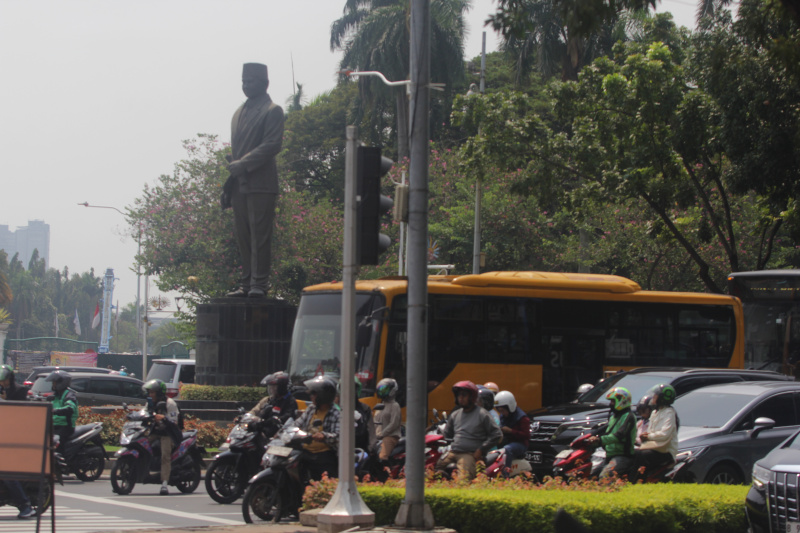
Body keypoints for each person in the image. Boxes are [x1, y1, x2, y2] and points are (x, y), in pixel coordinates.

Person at [223, 62, 285, 299]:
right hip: (239, 184)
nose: (246, 86)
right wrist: (230, 184)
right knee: (243, 235)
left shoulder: (272, 110)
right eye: (244, 81)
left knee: (260, 235)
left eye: (251, 81)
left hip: (261, 183)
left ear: (265, 84)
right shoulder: (238, 113)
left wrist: (244, 164)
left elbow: (272, 144)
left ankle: (260, 283)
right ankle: (246, 283)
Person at [436, 380, 502, 480]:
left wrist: (480, 450)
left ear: (472, 397)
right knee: (432, 471)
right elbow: (447, 435)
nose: (461, 398)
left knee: (463, 480)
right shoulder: (455, 415)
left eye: (464, 395)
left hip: (469, 454)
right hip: (453, 452)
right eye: (459, 395)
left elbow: (497, 435)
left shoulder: (482, 414)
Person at [0, 365, 35, 519]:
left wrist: (7, 400)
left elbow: (20, 413)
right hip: (3, 435)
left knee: (7, 473)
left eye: (5, 380)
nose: (3, 383)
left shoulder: (20, 390)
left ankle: (25, 505)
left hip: (16, 438)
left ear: (10, 378)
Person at [587, 387, 636, 479]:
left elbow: (619, 435)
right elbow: (606, 431)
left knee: (604, 477)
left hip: (622, 456)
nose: (610, 404)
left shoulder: (629, 417)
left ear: (621, 401)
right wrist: (592, 436)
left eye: (613, 401)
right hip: (609, 455)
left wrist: (600, 440)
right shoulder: (614, 417)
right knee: (592, 477)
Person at [296, 376, 340, 480]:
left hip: (323, 455)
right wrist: (284, 431)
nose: (311, 396)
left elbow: (338, 435)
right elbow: (298, 423)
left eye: (313, 394)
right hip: (306, 451)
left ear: (322, 395)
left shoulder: (335, 413)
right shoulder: (311, 408)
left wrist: (324, 435)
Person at [142, 379, 181, 495]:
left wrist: (163, 418)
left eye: (152, 392)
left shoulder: (170, 404)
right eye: (149, 392)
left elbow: (174, 422)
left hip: (168, 433)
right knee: (141, 444)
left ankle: (164, 483)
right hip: (155, 432)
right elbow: (144, 412)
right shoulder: (150, 403)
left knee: (165, 455)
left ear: (159, 392)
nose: (150, 395)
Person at [634, 384, 679, 477]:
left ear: (662, 398)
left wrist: (649, 436)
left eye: (655, 396)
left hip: (665, 451)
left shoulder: (669, 412)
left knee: (640, 455)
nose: (653, 398)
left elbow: (665, 434)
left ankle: (639, 479)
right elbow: (650, 431)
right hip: (654, 447)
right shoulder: (655, 412)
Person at [493, 390, 531, 477]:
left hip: (520, 444)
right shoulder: (503, 416)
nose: (502, 413)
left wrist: (511, 431)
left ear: (509, 407)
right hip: (507, 441)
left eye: (503, 410)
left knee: (507, 449)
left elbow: (526, 435)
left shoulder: (522, 418)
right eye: (500, 410)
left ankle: (505, 474)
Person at [47, 370, 78, 451]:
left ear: (62, 383)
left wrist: (55, 411)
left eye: (54, 382)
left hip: (65, 426)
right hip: (54, 425)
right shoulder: (55, 395)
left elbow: (70, 408)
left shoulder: (69, 395)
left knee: (56, 443)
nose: (53, 384)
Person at [374, 378, 402, 462]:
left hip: (390, 436)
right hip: (377, 437)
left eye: (385, 389)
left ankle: (385, 474)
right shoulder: (380, 405)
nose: (382, 392)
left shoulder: (395, 405)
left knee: (382, 457)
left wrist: (382, 433)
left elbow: (394, 424)